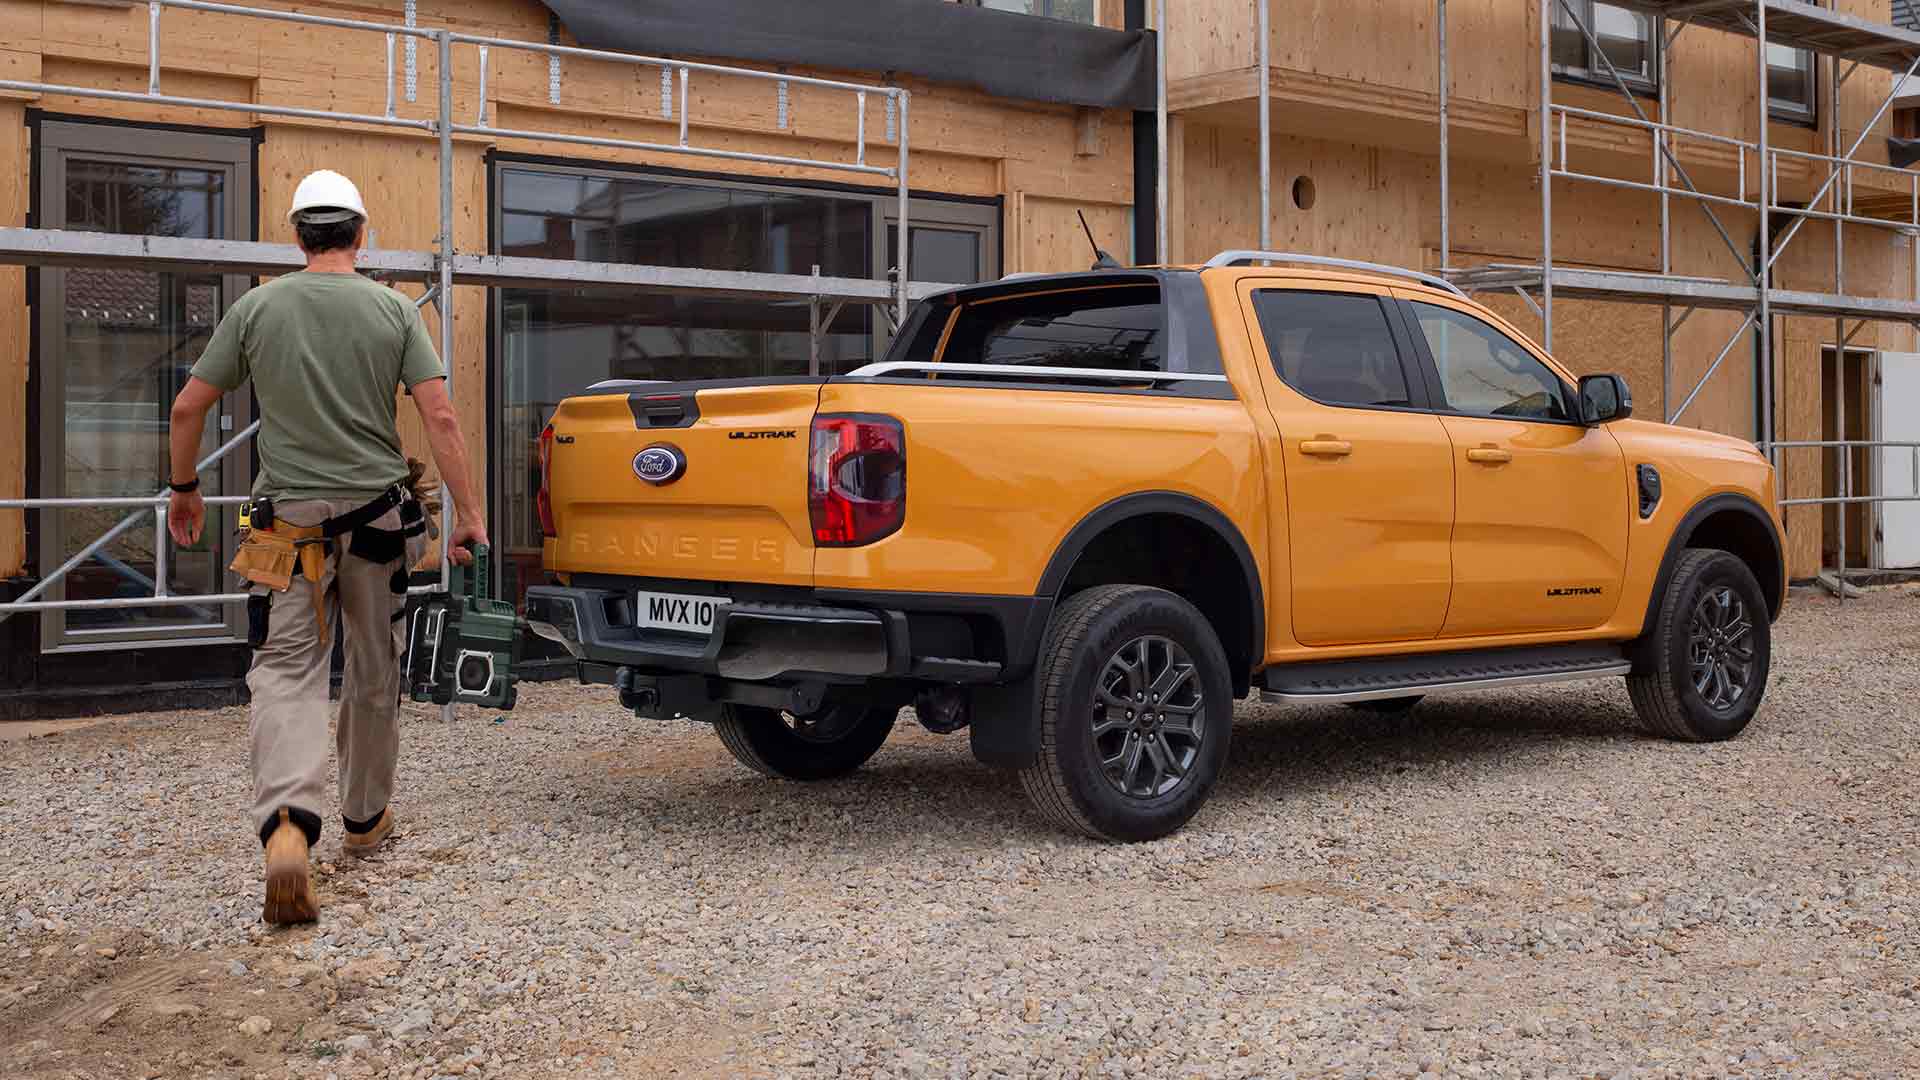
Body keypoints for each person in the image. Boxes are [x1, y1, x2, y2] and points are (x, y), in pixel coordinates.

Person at [165, 169, 487, 926]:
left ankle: (286, 824)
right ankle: (365, 819)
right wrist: (469, 513)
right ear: (360, 234)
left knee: (284, 673)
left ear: (298, 235)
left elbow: (188, 406)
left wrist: (184, 488)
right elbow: (440, 419)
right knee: (374, 668)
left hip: (286, 530)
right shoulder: (391, 310)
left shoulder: (256, 308)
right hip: (377, 522)